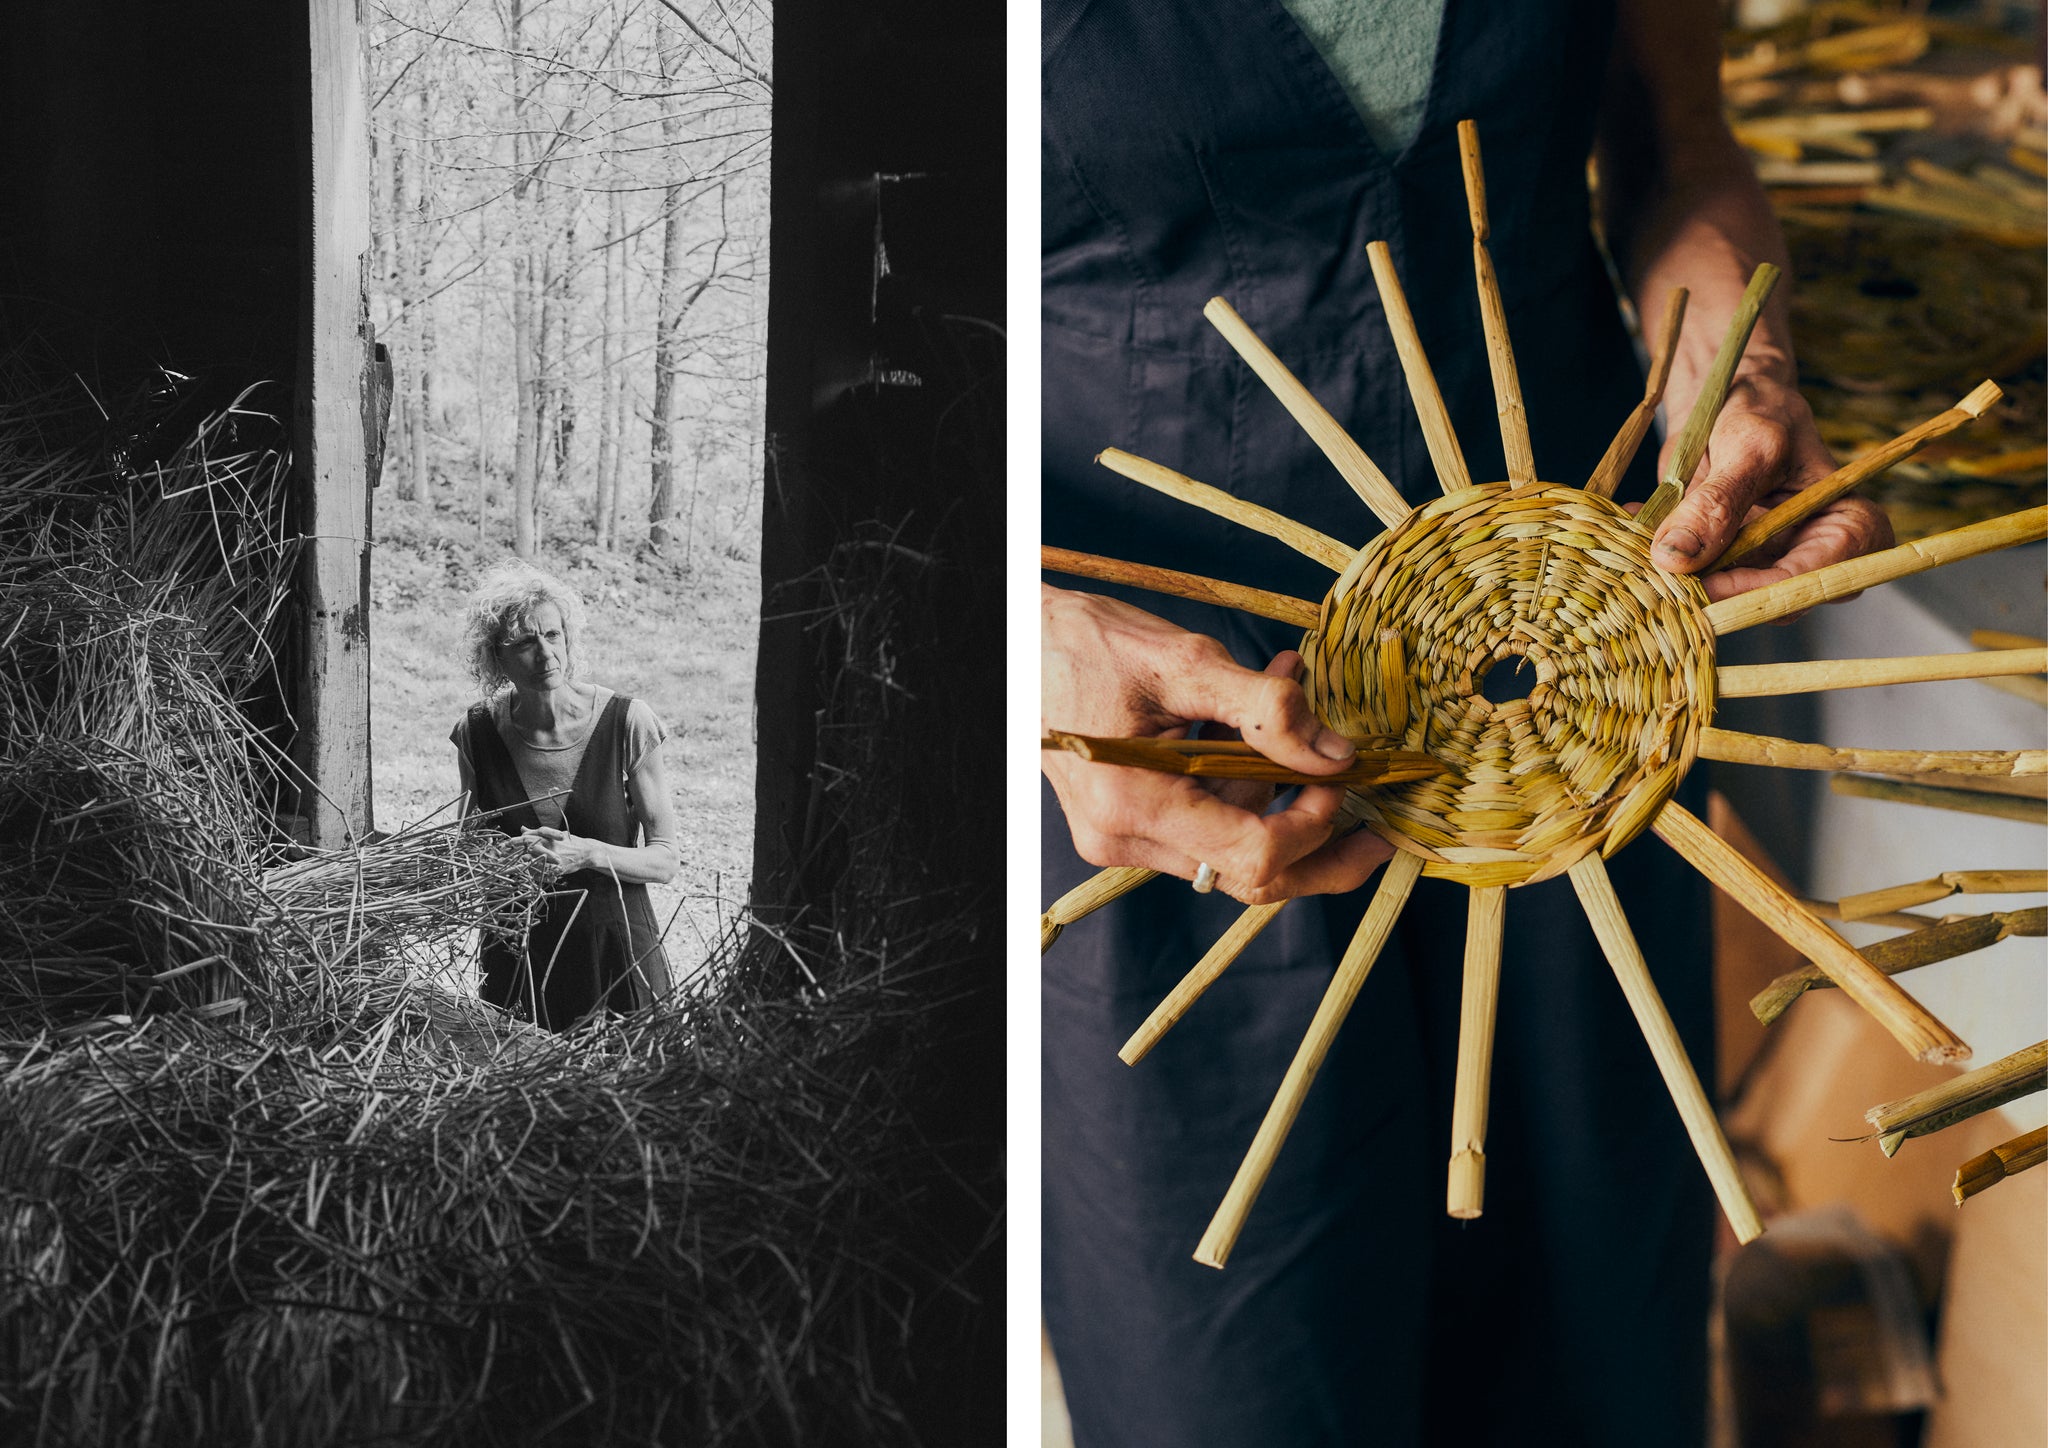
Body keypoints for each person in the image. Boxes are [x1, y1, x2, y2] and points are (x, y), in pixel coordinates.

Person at [1040, 3, 1891, 1445]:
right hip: (1175, 761)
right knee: (1244, 1396)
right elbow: (871, 341)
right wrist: (1030, 636)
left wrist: (1735, 368)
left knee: (1588, 1374)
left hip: (1580, 737)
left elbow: (1676, 150)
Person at [453, 560, 679, 1030]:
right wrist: (496, 860)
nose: (546, 654)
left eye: (553, 635)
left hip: (616, 955)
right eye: (525, 643)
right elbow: (465, 853)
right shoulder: (476, 734)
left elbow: (665, 861)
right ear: (496, 656)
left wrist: (589, 853)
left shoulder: (627, 722)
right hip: (518, 961)